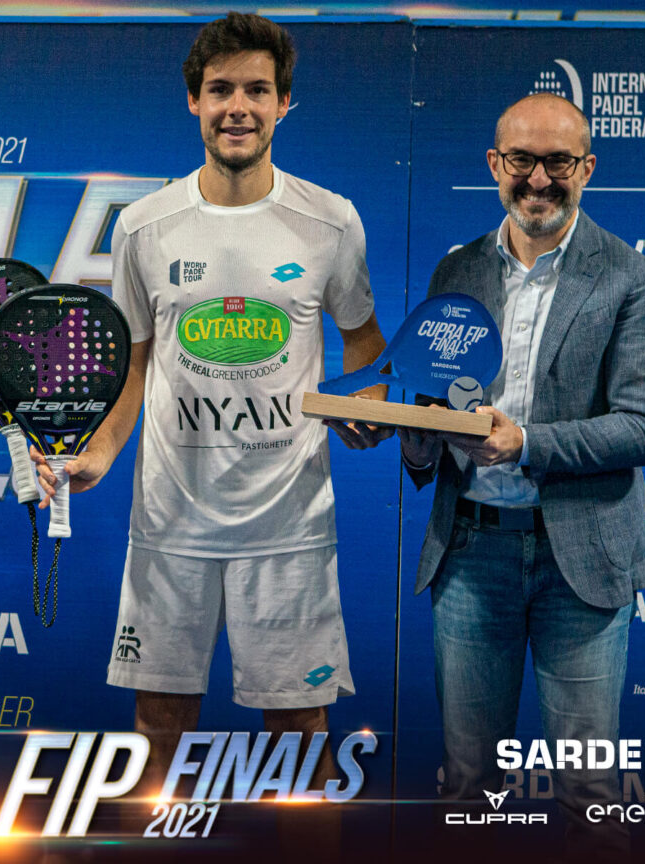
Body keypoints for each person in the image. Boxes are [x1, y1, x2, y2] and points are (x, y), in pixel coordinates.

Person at [47, 12, 391, 794]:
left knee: (301, 736)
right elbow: (134, 364)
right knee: (158, 731)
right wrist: (97, 455)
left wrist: (366, 404)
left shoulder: (331, 219)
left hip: (289, 527)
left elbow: (364, 341)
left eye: (257, 91)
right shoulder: (144, 225)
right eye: (221, 89)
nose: (238, 107)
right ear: (194, 101)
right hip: (170, 523)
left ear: (284, 104)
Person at [399, 92, 645, 860]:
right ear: (496, 164)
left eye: (558, 162)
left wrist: (527, 443)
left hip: (580, 562)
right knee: (468, 786)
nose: (540, 179)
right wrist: (405, 437)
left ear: (587, 168)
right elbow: (432, 406)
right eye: (522, 160)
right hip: (470, 554)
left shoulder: (628, 276)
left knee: (589, 795)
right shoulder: (457, 269)